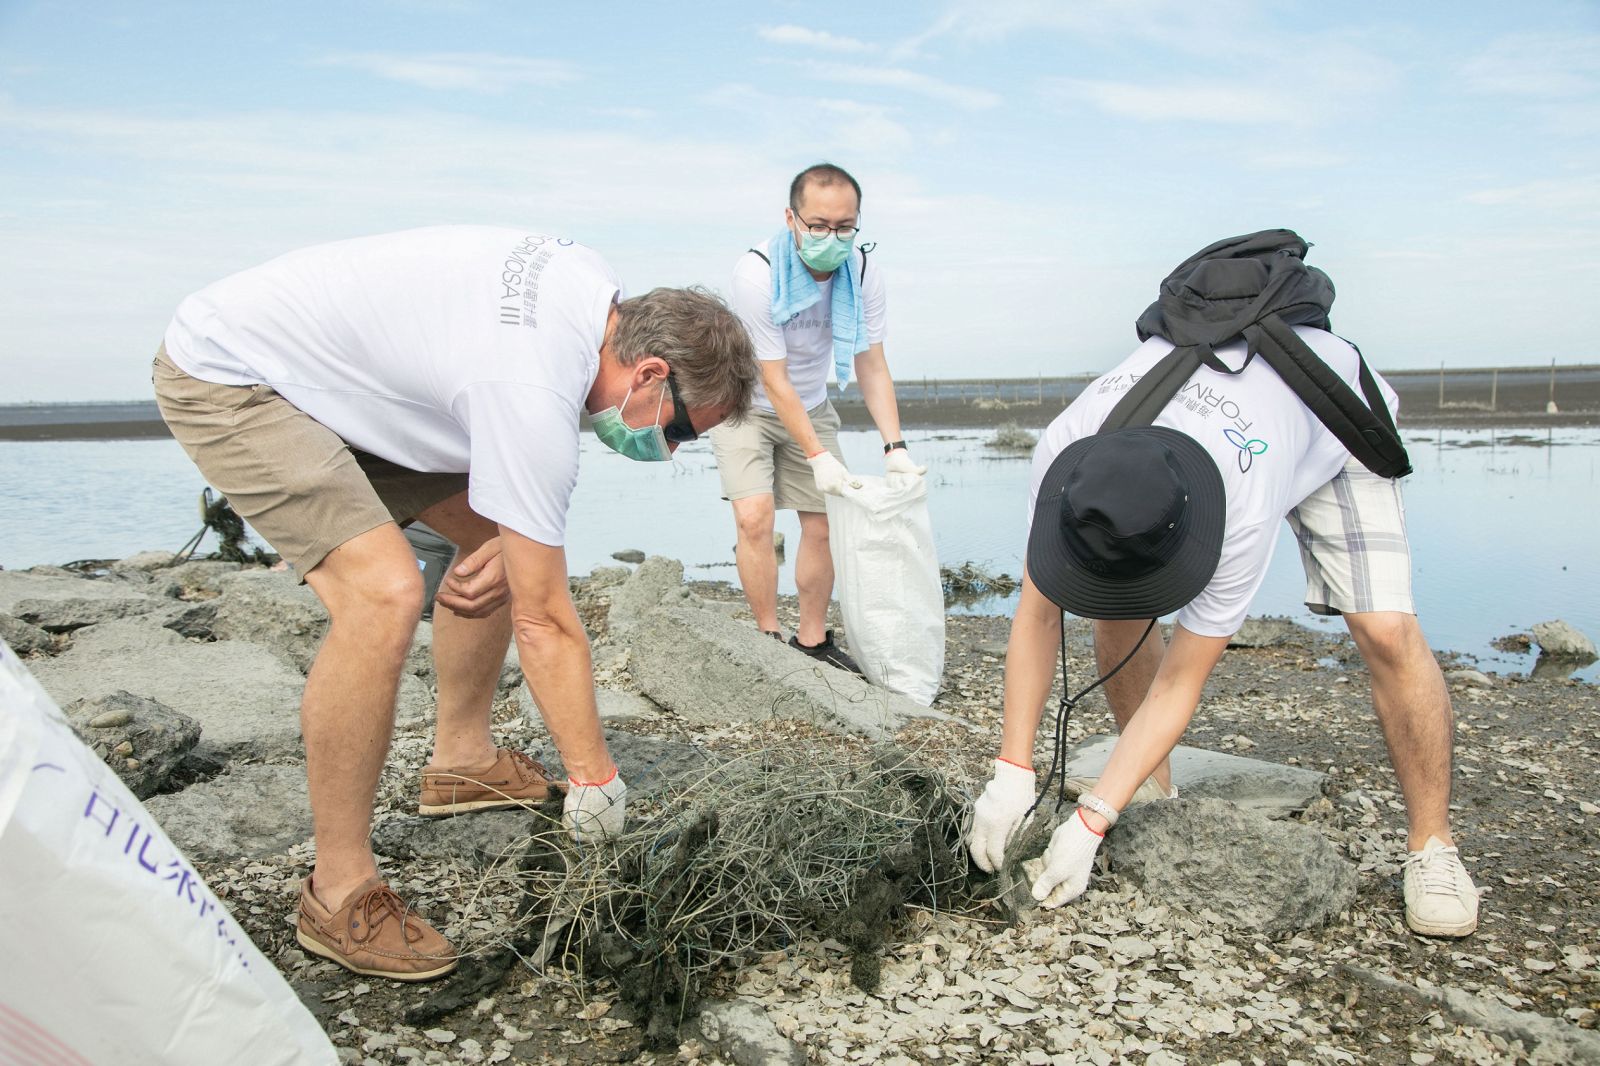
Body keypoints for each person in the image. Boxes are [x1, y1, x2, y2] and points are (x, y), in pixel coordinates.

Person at [153, 225, 756, 980]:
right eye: (678, 431)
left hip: (337, 377)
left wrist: (511, 535)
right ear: (650, 372)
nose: (666, 452)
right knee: (386, 591)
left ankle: (462, 760)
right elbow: (546, 623)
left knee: (501, 542)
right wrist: (596, 779)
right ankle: (337, 892)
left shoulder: (590, 293)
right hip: (235, 375)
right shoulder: (531, 385)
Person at [967, 308, 1481, 938]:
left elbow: (1182, 680)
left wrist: (1088, 821)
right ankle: (1147, 794)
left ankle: (1434, 849)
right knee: (1118, 612)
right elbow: (1038, 614)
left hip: (1334, 416)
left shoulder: (1242, 511)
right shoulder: (1062, 452)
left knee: (1386, 631)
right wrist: (1011, 773)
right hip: (1204, 433)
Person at [712, 163, 925, 672]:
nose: (832, 237)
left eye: (844, 227)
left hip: (810, 403)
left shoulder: (864, 271)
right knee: (754, 516)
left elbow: (872, 363)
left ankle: (812, 641)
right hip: (744, 403)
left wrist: (895, 448)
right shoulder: (757, 274)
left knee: (824, 523)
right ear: (792, 218)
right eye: (818, 225)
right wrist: (818, 455)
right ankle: (768, 638)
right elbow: (773, 378)